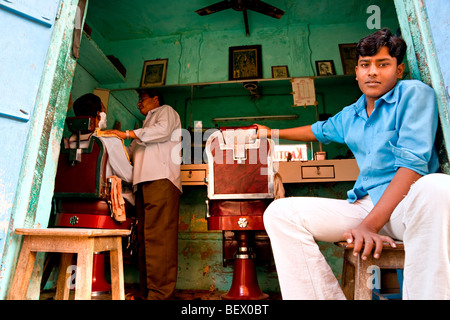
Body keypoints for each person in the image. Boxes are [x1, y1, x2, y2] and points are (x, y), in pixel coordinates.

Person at [256, 28, 450, 300]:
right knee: (280, 213)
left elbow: (412, 167)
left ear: (399, 70)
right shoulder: (352, 114)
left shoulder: (413, 95)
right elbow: (316, 130)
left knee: (439, 186)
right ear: (356, 72)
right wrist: (271, 133)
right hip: (363, 206)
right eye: (365, 65)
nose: (372, 72)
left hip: (406, 207)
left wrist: (370, 226)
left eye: (383, 64)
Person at [101, 88, 182, 300]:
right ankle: (149, 292)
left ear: (156, 99)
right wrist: (109, 140)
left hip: (161, 179)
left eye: (142, 99)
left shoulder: (166, 112)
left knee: (159, 238)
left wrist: (127, 134)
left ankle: (161, 294)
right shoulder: (145, 127)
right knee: (145, 239)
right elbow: (129, 153)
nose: (139, 104)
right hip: (143, 183)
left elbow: (162, 131)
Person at [70, 93, 134, 207]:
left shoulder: (69, 141)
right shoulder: (110, 141)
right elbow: (128, 176)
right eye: (104, 111)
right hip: (102, 201)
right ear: (99, 114)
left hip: (69, 200)